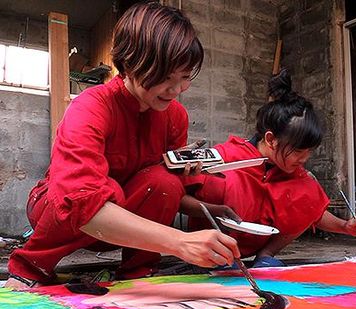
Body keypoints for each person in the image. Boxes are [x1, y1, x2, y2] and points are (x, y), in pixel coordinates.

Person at [6, 2, 239, 290]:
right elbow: (80, 202)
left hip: (119, 214)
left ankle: (137, 272)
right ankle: (31, 266)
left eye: (185, 78)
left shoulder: (175, 116)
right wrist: (180, 242)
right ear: (129, 64)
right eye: (166, 78)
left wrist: (210, 207)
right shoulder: (91, 107)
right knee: (96, 191)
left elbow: (164, 191)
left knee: (165, 178)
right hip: (58, 207)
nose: (176, 90)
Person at [180, 69, 356, 268]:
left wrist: (345, 226)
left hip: (256, 246)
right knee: (228, 181)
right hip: (213, 248)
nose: (304, 159)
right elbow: (178, 198)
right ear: (271, 139)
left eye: (309, 152)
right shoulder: (226, 157)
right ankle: (216, 259)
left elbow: (312, 211)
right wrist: (215, 210)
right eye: (298, 151)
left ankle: (266, 255)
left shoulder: (294, 175)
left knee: (307, 189)